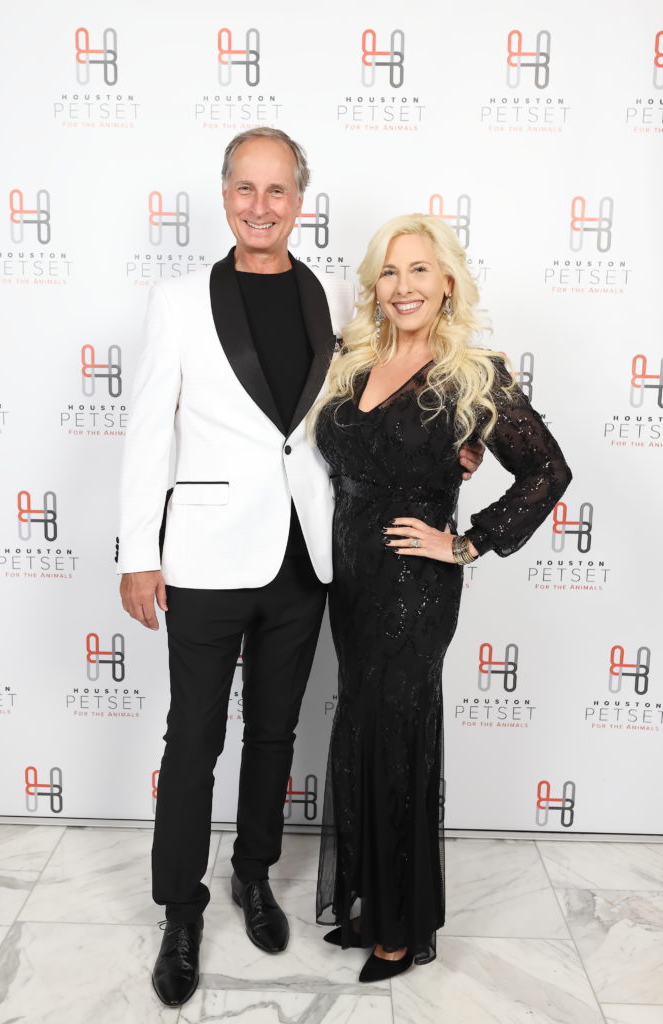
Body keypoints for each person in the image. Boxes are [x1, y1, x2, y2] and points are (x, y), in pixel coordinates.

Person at [118, 129, 485, 1006]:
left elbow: (371, 406)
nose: (260, 205)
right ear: (224, 195)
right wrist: (138, 554)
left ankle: (253, 875)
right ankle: (180, 910)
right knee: (193, 739)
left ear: (298, 201)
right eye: (245, 188)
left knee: (275, 734)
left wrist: (456, 450)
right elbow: (147, 432)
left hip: (304, 558)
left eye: (277, 190)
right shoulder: (177, 301)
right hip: (203, 555)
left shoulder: (331, 301)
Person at [313, 213, 572, 983]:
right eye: (389, 272)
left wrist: (465, 542)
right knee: (361, 731)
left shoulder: (472, 373)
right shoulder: (352, 363)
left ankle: (399, 928)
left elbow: (547, 472)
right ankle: (370, 903)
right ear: (374, 286)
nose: (403, 287)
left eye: (419, 270)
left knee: (397, 740)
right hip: (351, 582)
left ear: (447, 282)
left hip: (413, 590)